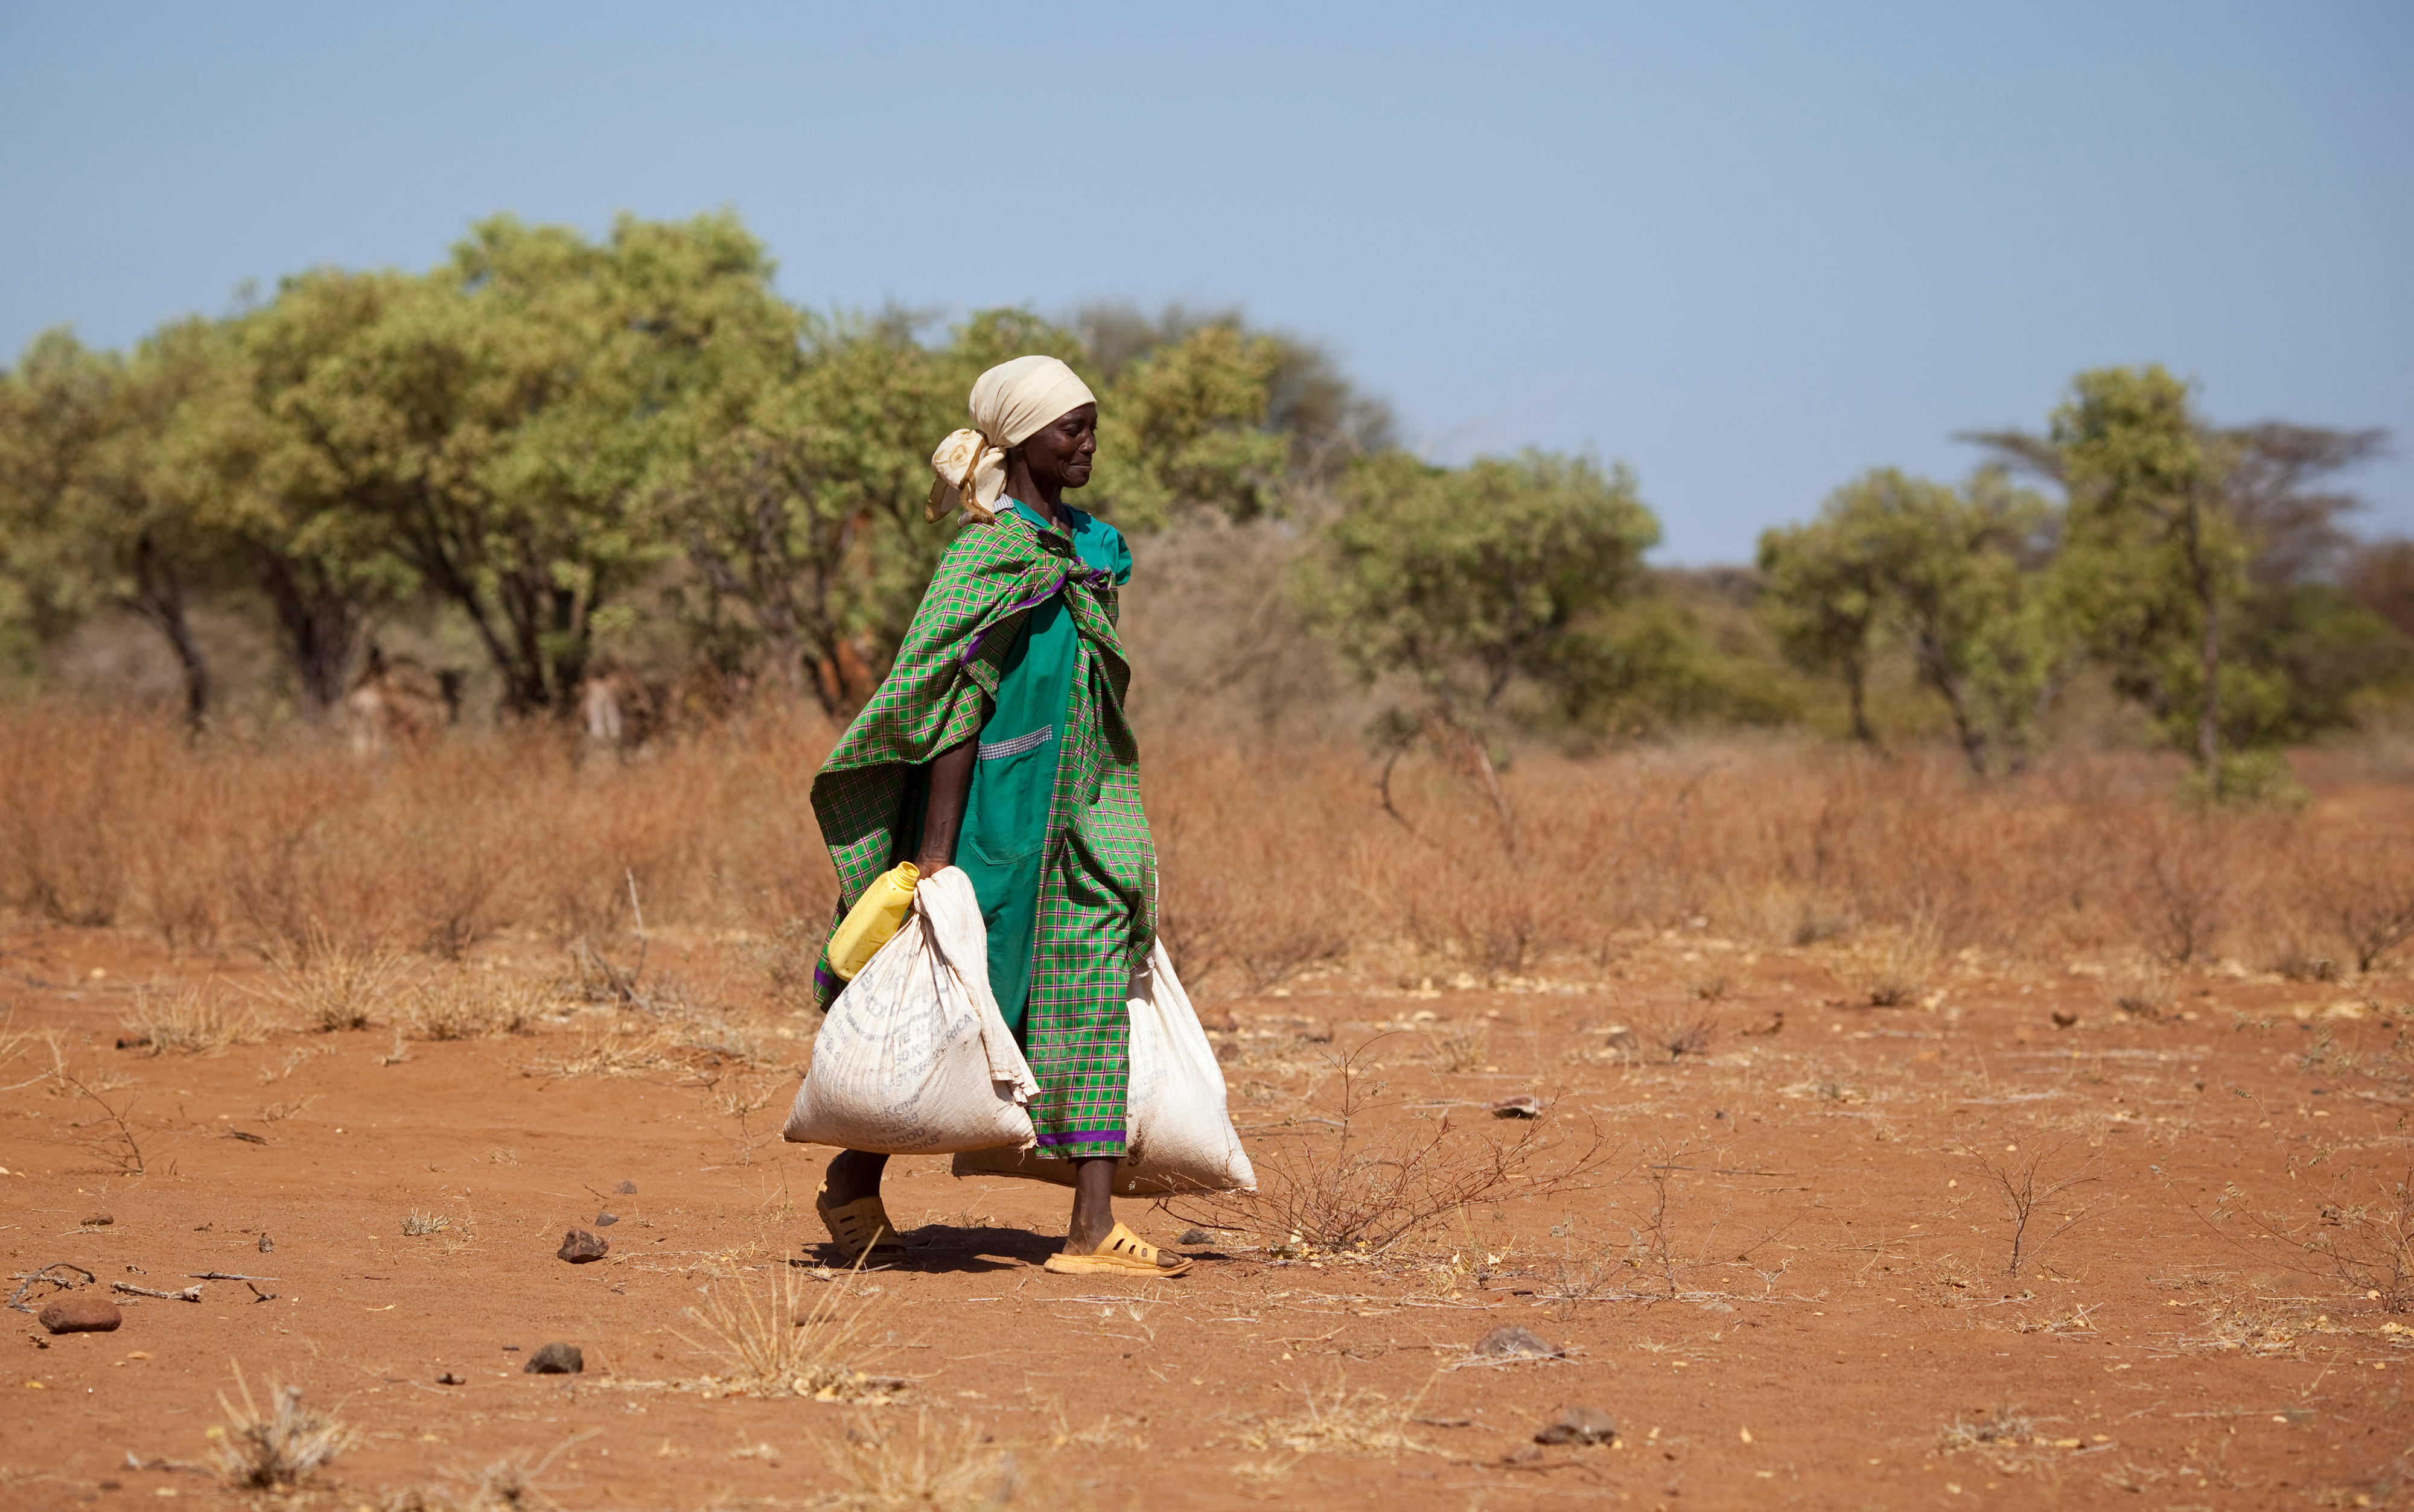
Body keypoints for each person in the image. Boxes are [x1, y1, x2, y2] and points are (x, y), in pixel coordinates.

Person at [805, 354, 1187, 1279]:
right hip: (992, 816)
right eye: (1071, 428)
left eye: (1093, 424)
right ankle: (854, 1179)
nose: (1088, 442)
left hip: (1084, 804)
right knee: (973, 1004)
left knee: (1090, 989)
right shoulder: (988, 554)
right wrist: (936, 862)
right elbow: (947, 700)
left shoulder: (1095, 550)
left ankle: (1092, 1228)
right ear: (1019, 441)